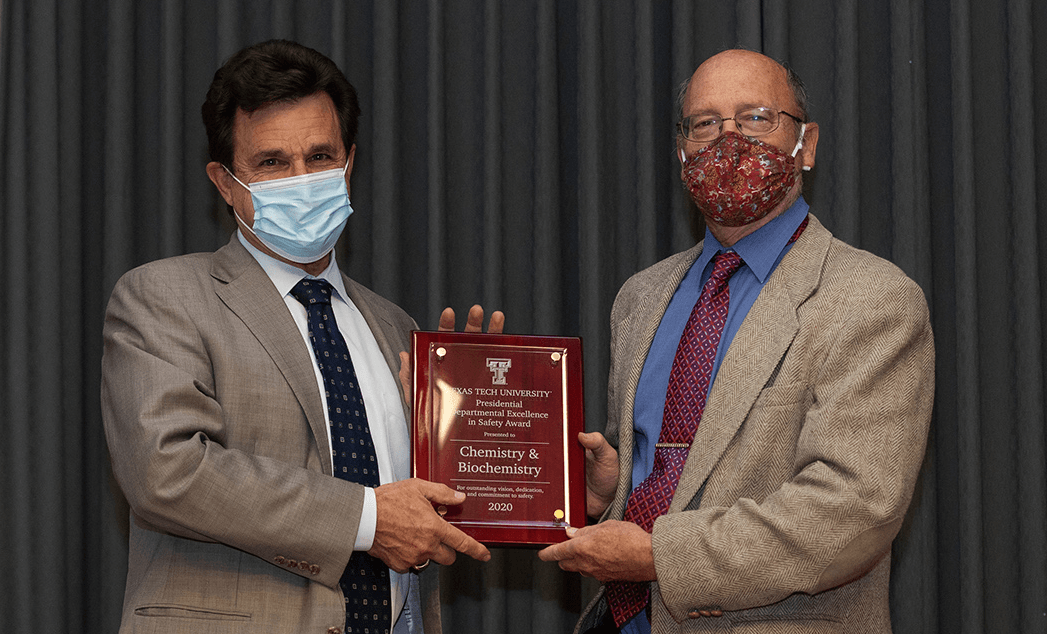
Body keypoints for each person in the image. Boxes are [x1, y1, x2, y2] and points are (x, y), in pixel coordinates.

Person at [101, 39, 499, 634]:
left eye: (320, 156)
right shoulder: (163, 298)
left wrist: (469, 422)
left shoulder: (394, 326)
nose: (302, 179)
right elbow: (168, 472)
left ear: (349, 163)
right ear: (226, 183)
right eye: (271, 163)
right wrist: (367, 519)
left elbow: (423, 504)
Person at [539, 49, 934, 633]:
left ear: (808, 144)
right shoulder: (640, 298)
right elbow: (671, 475)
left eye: (755, 117)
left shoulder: (874, 299)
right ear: (681, 153)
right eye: (705, 124)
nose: (729, 141)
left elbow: (852, 512)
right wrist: (607, 491)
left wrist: (657, 557)